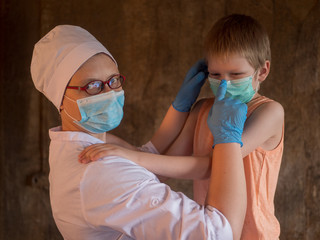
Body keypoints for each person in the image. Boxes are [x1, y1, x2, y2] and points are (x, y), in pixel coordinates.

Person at [30, 24, 248, 240]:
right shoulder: (99, 170)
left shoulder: (79, 143)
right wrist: (227, 138)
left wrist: (181, 109)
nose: (109, 92)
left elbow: (146, 160)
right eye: (93, 86)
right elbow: (218, 235)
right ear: (60, 100)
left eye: (114, 80)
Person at [80, 14, 285, 240]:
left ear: (262, 71)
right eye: (216, 74)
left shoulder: (270, 112)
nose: (224, 83)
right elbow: (163, 166)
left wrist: (131, 157)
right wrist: (104, 140)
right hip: (212, 231)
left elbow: (211, 165)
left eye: (236, 75)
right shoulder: (201, 111)